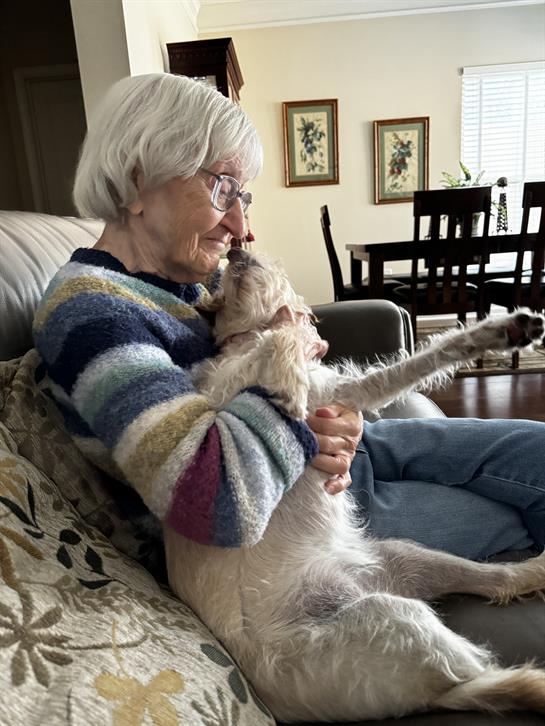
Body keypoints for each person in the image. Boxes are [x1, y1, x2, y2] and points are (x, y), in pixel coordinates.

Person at [33, 73, 545, 565]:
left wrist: (335, 421)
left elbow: (287, 344)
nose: (241, 226)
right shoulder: (93, 313)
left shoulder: (190, 277)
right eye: (222, 189)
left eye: (242, 196)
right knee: (517, 516)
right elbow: (215, 501)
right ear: (137, 180)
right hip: (286, 531)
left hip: (334, 465)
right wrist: (294, 393)